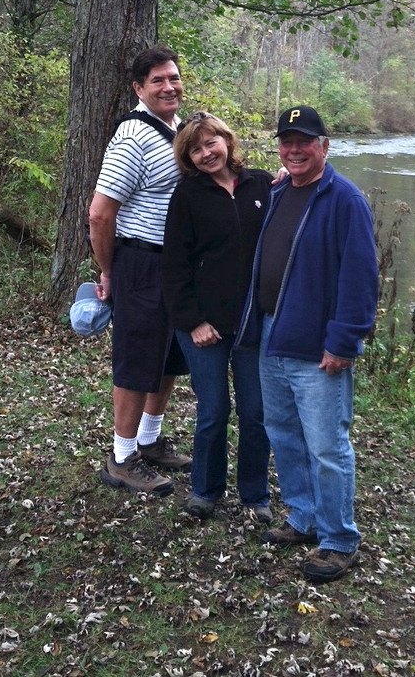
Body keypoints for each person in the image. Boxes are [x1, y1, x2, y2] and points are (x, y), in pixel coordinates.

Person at [236, 105, 379, 583]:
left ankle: (338, 539)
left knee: (326, 446)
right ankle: (302, 517)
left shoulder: (344, 200)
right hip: (272, 333)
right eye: (287, 141)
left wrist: (343, 342)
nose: (295, 149)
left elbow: (360, 280)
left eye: (305, 141)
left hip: (317, 345)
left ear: (325, 145)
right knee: (283, 433)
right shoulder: (279, 192)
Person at [89, 45, 191, 495]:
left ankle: (148, 442)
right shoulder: (133, 137)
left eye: (173, 77)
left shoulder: (178, 129)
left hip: (174, 264)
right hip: (140, 262)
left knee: (166, 356)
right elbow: (99, 213)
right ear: (138, 88)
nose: (169, 86)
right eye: (157, 81)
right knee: (136, 359)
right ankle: (121, 458)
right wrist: (109, 271)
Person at [161, 112, 273, 522]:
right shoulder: (187, 196)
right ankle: (206, 491)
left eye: (211, 143)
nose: (206, 153)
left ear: (227, 141)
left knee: (255, 411)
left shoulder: (261, 184)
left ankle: (255, 494)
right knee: (213, 411)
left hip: (250, 323)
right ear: (187, 157)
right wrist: (193, 321)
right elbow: (173, 267)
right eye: (195, 148)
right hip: (202, 326)